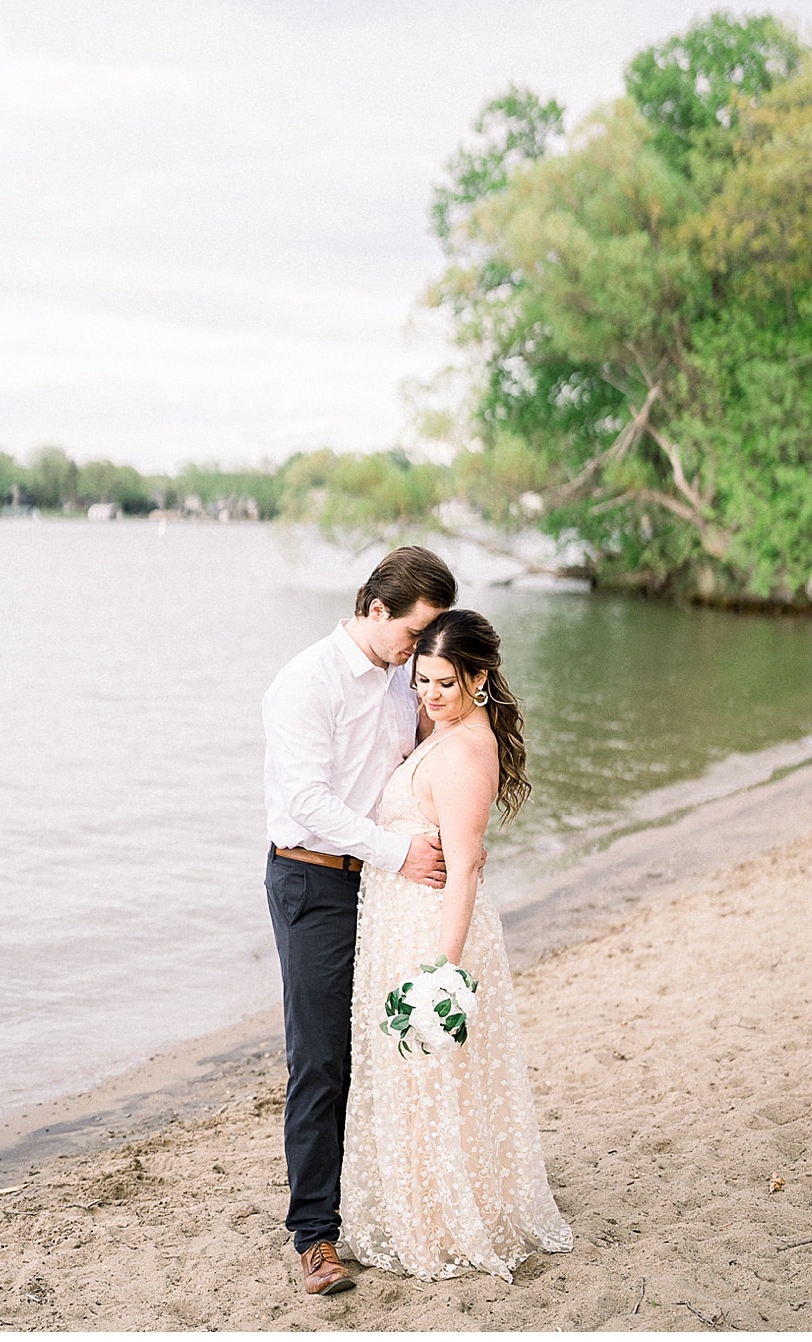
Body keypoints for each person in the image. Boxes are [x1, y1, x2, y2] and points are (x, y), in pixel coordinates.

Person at [339, 608, 573, 1281]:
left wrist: (444, 964)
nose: (429, 696)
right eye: (421, 682)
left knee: (435, 1079)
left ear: (478, 680)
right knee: (416, 1081)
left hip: (432, 928)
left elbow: (466, 865)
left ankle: (444, 1219)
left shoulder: (468, 749)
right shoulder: (444, 733)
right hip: (402, 918)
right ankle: (425, 1206)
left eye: (443, 683)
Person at [263, 545, 458, 1296]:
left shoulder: (402, 679)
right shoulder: (305, 683)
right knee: (319, 1058)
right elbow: (308, 803)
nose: (420, 652)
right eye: (415, 635)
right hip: (311, 881)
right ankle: (314, 1235)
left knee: (386, 1049)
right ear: (377, 611)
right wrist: (398, 852)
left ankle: (389, 1204)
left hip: (385, 882)